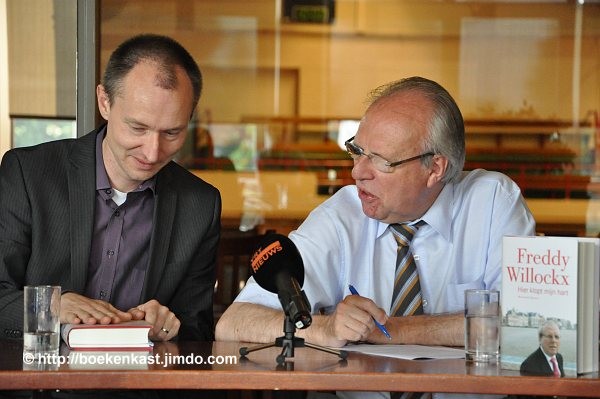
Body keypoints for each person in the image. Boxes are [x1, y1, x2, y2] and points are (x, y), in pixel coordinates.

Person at [216, 76, 535, 398]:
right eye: (357, 151)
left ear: (435, 168)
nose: (358, 172)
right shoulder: (342, 214)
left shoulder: (492, 201)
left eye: (382, 161)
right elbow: (234, 324)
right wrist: (327, 328)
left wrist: (392, 331)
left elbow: (528, 325)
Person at [0, 34, 221, 344]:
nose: (153, 152)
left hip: (137, 386)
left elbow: (198, 330)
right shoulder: (28, 174)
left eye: (172, 132)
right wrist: (52, 307)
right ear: (105, 102)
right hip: (39, 386)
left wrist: (172, 326)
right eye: (138, 128)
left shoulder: (200, 204)